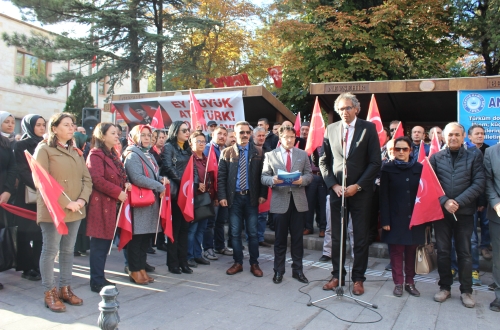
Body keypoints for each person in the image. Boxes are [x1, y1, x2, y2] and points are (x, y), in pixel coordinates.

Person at [319, 92, 381, 296]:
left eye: (347, 108)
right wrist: (333, 185)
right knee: (337, 236)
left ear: (356, 108)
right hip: (338, 192)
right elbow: (323, 161)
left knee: (361, 238)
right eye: (340, 109)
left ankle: (358, 279)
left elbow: (375, 163)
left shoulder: (369, 128)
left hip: (360, 194)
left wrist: (358, 186)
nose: (343, 112)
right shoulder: (331, 129)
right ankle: (337, 275)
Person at [35, 113, 92, 313]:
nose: (71, 128)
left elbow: (87, 179)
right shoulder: (44, 149)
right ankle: (49, 292)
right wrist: (66, 203)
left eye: (72, 125)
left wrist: (81, 201)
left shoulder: (76, 151)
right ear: (54, 128)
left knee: (68, 250)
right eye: (66, 125)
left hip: (76, 208)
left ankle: (65, 289)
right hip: (54, 209)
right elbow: (40, 180)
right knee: (51, 251)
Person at [430, 122, 485, 308]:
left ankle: (466, 291)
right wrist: (445, 201)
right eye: (450, 135)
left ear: (463, 137)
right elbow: (430, 183)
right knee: (443, 252)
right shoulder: (436, 158)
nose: (453, 138)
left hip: (465, 213)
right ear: (444, 137)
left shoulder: (474, 156)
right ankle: (444, 287)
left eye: (457, 135)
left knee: (465, 252)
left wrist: (458, 202)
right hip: (442, 213)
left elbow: (478, 183)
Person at [261, 126, 313, 284]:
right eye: (286, 137)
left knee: (297, 240)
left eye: (292, 137)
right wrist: (273, 180)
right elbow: (264, 176)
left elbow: (309, 174)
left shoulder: (302, 154)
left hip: (298, 203)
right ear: (280, 138)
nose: (289, 140)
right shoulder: (271, 155)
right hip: (279, 202)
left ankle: (298, 271)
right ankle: (278, 271)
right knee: (280, 240)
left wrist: (302, 180)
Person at [218, 121, 268, 277]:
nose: (245, 135)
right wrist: (222, 196)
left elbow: (263, 175)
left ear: (250, 134)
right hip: (234, 199)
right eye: (241, 132)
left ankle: (254, 263)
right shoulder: (226, 153)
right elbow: (221, 177)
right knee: (234, 233)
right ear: (235, 133)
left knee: (252, 233)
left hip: (251, 198)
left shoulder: (259, 152)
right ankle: (238, 262)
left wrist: (262, 194)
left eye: (247, 132)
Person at [86, 123, 131, 292]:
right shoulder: (96, 154)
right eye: (112, 133)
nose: (117, 136)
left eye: (117, 133)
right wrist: (117, 191)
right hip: (101, 204)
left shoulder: (113, 154)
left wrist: (124, 184)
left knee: (105, 243)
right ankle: (96, 280)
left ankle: (100, 276)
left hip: (112, 204)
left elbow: (117, 175)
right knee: (99, 244)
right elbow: (96, 179)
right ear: (102, 136)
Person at [380, 136, 425, 297]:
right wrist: (384, 220)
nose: (400, 152)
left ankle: (410, 282)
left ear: (410, 151)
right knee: (396, 252)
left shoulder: (420, 168)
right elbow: (383, 196)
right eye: (397, 149)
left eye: (404, 149)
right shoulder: (387, 168)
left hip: (414, 217)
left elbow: (425, 193)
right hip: (394, 217)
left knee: (412, 252)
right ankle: (398, 283)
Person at [123, 125, 166, 285]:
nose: (147, 138)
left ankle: (141, 269)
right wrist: (158, 185)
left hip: (149, 202)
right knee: (136, 239)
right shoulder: (133, 155)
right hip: (139, 202)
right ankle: (134, 270)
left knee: (144, 239)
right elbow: (137, 178)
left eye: (149, 135)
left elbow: (154, 174)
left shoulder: (148, 154)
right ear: (135, 137)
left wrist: (160, 179)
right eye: (143, 135)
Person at [13, 115, 46, 281]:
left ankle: (38, 265)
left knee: (41, 232)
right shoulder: (21, 145)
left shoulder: (46, 144)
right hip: (28, 194)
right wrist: (39, 185)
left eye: (43, 125)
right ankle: (27, 267)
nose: (42, 128)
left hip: (44, 195)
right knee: (26, 232)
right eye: (38, 125)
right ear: (29, 126)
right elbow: (22, 170)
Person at [161, 121, 193, 275]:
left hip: (186, 193)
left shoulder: (187, 149)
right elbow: (167, 167)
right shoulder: (168, 147)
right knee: (175, 229)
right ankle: (173, 263)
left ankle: (183, 262)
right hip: (175, 193)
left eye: (188, 130)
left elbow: (192, 169)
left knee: (185, 229)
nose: (187, 133)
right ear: (175, 132)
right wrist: (183, 183)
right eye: (184, 130)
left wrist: (191, 184)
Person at [202, 126, 232, 259]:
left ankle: (220, 246)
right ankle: (208, 248)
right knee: (210, 223)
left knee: (221, 221)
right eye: (219, 133)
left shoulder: (225, 150)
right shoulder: (208, 150)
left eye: (225, 134)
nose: (222, 136)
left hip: (223, 192)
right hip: (212, 193)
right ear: (212, 134)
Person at [187, 131, 215, 268]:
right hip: (193, 199)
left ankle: (198, 254)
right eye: (199, 141)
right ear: (191, 143)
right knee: (192, 229)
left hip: (205, 199)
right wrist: (197, 184)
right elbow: (185, 179)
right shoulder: (189, 158)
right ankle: (189, 256)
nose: (202, 144)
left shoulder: (206, 159)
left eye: (203, 141)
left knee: (201, 229)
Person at [483, 140, 500, 312]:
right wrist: (496, 203)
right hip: (498, 214)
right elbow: (487, 181)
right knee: (499, 259)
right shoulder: (491, 152)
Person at [252, 126, 272, 248]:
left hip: (265, 186)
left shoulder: (269, 150)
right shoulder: (248, 149)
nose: (261, 138)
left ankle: (260, 237)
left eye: (263, 135)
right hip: (252, 186)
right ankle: (252, 238)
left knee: (263, 215)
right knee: (251, 215)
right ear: (253, 136)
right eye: (258, 135)